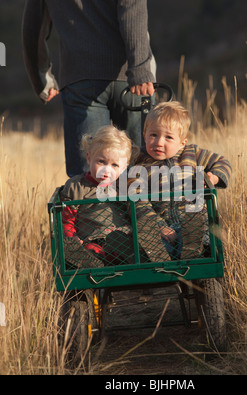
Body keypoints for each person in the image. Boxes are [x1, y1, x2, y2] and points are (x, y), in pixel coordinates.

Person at [22, 0, 156, 177]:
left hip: (80, 79)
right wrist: (140, 68)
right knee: (143, 171)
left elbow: (33, 27)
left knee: (89, 176)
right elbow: (133, 8)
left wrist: (42, 79)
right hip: (132, 81)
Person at [128, 101, 232, 260]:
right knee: (150, 237)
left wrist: (214, 177)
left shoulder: (191, 153)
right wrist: (159, 226)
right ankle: (163, 259)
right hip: (162, 225)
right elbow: (138, 200)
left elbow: (222, 162)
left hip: (191, 218)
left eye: (168, 137)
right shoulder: (139, 163)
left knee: (197, 230)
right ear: (144, 134)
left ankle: (193, 251)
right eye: (153, 135)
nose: (159, 142)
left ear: (182, 142)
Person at [61, 125, 139, 268]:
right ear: (89, 157)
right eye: (101, 162)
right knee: (90, 251)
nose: (106, 170)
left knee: (127, 243)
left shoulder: (124, 187)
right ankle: (91, 263)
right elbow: (67, 219)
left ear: (124, 167)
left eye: (115, 165)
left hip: (120, 239)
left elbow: (132, 213)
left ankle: (136, 258)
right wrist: (72, 238)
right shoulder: (77, 186)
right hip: (92, 240)